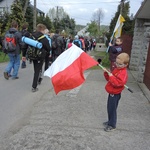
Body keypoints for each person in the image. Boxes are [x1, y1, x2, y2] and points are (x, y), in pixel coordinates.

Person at [103, 52, 130, 132]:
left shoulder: (123, 72)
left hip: (115, 94)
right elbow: (110, 80)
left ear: (126, 64)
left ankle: (112, 125)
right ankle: (110, 121)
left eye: (120, 64)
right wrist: (107, 73)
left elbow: (118, 83)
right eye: (117, 63)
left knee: (112, 109)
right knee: (109, 108)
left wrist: (111, 76)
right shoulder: (117, 69)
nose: (118, 65)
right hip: (111, 92)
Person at [31, 24, 51, 92]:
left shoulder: (32, 36)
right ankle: (34, 86)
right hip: (40, 56)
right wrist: (48, 53)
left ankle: (38, 79)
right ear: (42, 29)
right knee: (37, 70)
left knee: (36, 69)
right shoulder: (44, 38)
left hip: (33, 55)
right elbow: (48, 48)